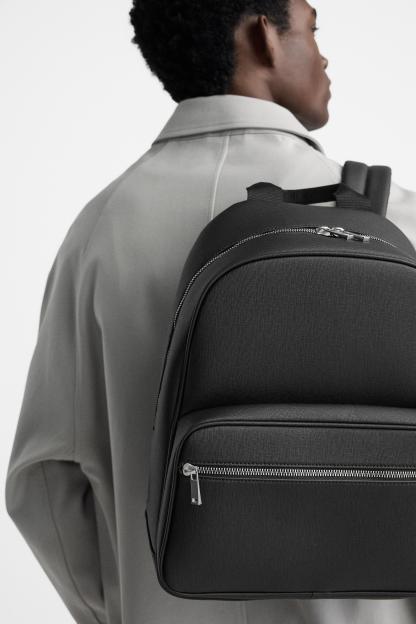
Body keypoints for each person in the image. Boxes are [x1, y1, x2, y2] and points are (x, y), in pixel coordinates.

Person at [5, 0, 416, 622]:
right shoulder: (395, 223)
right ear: (264, 37)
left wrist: (122, 607)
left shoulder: (98, 231)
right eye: (312, 29)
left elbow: (43, 484)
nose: (323, 55)